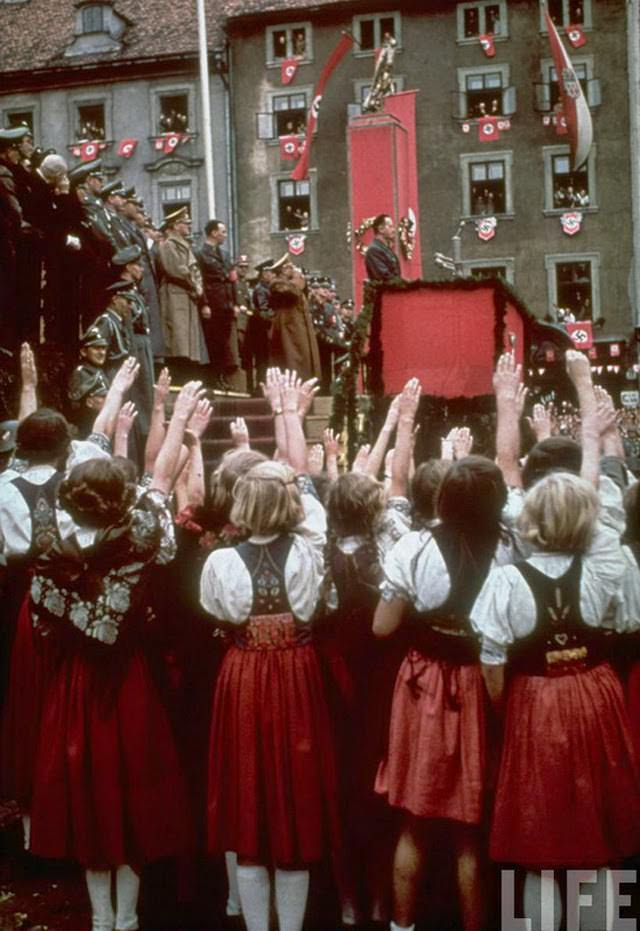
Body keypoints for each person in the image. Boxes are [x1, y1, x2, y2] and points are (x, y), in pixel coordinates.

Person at [28, 380, 202, 931]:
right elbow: (158, 484)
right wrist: (175, 423)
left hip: (75, 682)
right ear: (118, 500)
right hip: (127, 682)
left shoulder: (50, 546)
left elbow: (40, 622)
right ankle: (124, 918)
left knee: (90, 800)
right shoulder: (142, 538)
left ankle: (103, 918)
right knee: (129, 797)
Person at [200, 370, 339, 931]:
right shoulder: (309, 549)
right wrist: (291, 417)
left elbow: (216, 612)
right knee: (294, 805)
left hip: (245, 676)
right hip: (297, 674)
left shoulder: (219, 562)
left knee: (250, 803)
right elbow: (305, 495)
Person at [471, 471, 640, 926]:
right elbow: (628, 623)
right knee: (599, 837)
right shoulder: (608, 567)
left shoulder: (507, 578)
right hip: (595, 694)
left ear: (531, 521)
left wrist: (504, 708)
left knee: (530, 838)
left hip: (533, 699)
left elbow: (491, 659)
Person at [373, 450, 516, 931]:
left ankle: (403, 925)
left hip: (424, 683)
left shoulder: (413, 548)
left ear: (445, 498)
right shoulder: (510, 547)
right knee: (468, 829)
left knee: (414, 820)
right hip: (481, 680)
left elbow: (382, 627)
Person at [157, 207, 208, 383]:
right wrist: (193, 284)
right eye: (185, 223)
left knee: (187, 339)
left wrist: (195, 286)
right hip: (175, 294)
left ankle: (187, 375)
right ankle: (177, 377)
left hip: (186, 295)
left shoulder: (184, 245)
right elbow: (175, 270)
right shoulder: (168, 245)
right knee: (178, 339)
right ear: (175, 225)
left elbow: (192, 270)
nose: (188, 226)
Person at [197, 219, 240, 391]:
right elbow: (199, 280)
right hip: (213, 302)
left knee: (224, 343)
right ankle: (213, 377)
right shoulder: (200, 254)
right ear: (213, 233)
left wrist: (235, 303)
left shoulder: (225, 255)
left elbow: (232, 279)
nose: (225, 235)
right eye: (222, 232)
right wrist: (204, 303)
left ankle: (222, 376)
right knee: (213, 342)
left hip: (226, 303)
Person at [268, 278, 321, 383]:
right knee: (293, 364)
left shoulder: (297, 293)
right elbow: (285, 289)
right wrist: (293, 281)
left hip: (299, 332)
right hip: (290, 333)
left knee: (303, 363)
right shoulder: (283, 290)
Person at [245, 258, 275, 395]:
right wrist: (275, 315)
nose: (272, 275)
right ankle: (260, 387)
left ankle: (263, 386)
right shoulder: (261, 289)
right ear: (264, 273)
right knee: (262, 359)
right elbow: (264, 310)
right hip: (260, 329)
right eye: (269, 272)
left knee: (265, 360)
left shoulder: (266, 287)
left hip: (263, 328)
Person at [365, 214, 401, 282]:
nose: (393, 230)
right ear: (381, 229)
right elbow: (384, 277)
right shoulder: (374, 250)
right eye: (390, 226)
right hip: (385, 292)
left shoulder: (386, 249)